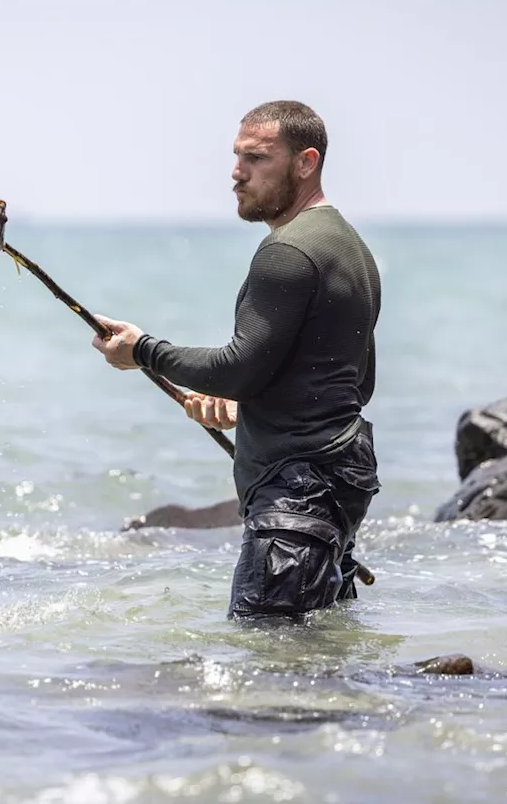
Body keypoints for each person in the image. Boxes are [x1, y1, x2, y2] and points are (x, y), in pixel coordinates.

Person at [91, 100, 382, 620]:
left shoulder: (287, 252)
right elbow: (348, 380)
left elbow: (240, 367)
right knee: (312, 668)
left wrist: (142, 351)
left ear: (305, 162)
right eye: (236, 156)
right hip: (338, 484)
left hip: (296, 499)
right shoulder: (349, 247)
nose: (236, 172)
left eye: (257, 158)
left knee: (270, 668)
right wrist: (246, 404)